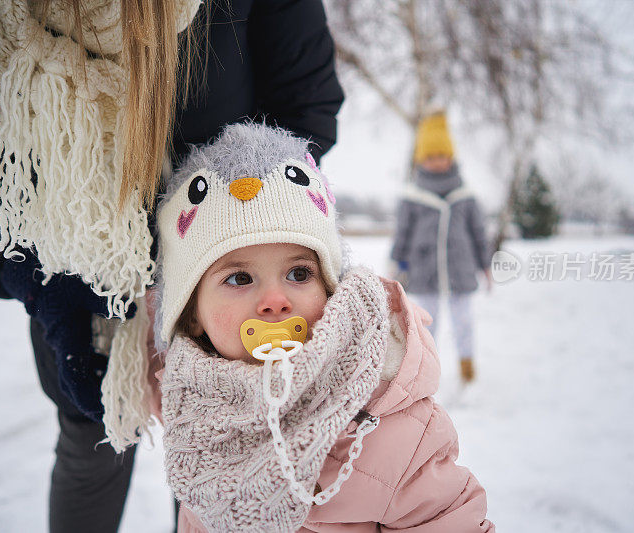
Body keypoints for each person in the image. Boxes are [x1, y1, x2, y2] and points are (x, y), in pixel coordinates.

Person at [0, 1, 344, 531]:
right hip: (74, 277)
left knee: (224, 453)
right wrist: (30, 275)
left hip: (230, 286)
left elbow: (305, 104)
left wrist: (242, 232)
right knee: (91, 443)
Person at [150, 123, 494, 532]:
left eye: (298, 273)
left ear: (331, 289)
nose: (276, 300)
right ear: (191, 314)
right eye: (240, 279)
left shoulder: (387, 419)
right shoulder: (194, 415)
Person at [390, 111, 491, 384]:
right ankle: (426, 371)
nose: (436, 162)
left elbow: (479, 233)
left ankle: (467, 367)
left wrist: (486, 265)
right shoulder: (413, 196)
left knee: (464, 322)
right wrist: (396, 264)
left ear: (451, 157)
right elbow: (403, 234)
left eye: (441, 155)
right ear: (422, 159)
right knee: (427, 325)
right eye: (430, 156)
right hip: (425, 270)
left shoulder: (465, 196)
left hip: (460, 269)